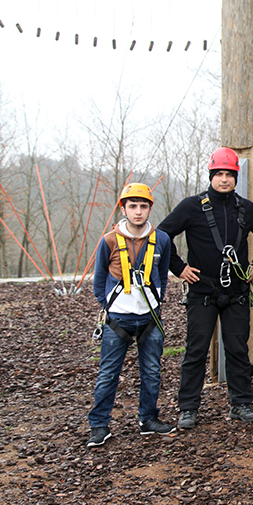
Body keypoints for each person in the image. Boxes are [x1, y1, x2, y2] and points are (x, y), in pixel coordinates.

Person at [159, 147, 253, 429]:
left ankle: (241, 404)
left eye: (229, 174)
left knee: (238, 349)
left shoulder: (246, 209)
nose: (225, 179)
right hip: (202, 291)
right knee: (196, 350)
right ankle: (188, 408)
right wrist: (178, 267)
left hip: (237, 291)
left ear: (236, 177)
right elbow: (161, 235)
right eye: (219, 174)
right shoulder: (191, 207)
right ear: (211, 175)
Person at [87, 184, 174, 447]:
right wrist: (109, 306)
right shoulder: (109, 240)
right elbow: (99, 278)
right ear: (123, 209)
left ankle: (148, 419)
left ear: (150, 209)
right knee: (108, 373)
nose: (138, 212)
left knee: (151, 371)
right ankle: (99, 425)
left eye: (143, 206)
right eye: (132, 207)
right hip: (118, 319)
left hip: (150, 318)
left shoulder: (161, 240)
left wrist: (156, 304)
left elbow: (162, 276)